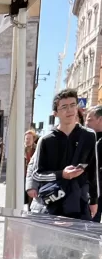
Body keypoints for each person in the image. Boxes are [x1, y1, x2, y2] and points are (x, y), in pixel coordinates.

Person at [32, 88, 98, 220]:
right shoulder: (46, 140)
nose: (70, 110)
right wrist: (61, 174)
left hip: (80, 203)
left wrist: (94, 200)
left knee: (78, 241)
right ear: (55, 113)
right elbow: (37, 174)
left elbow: (93, 171)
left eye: (73, 105)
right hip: (54, 203)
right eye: (64, 107)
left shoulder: (89, 136)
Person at [86, 105, 102, 222]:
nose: (86, 123)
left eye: (90, 119)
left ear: (100, 120)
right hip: (93, 193)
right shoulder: (90, 138)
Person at [24, 129, 38, 206]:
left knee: (31, 198)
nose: (27, 141)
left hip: (33, 177)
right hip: (22, 176)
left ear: (33, 139)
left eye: (29, 139)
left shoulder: (37, 149)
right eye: (26, 138)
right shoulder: (20, 149)